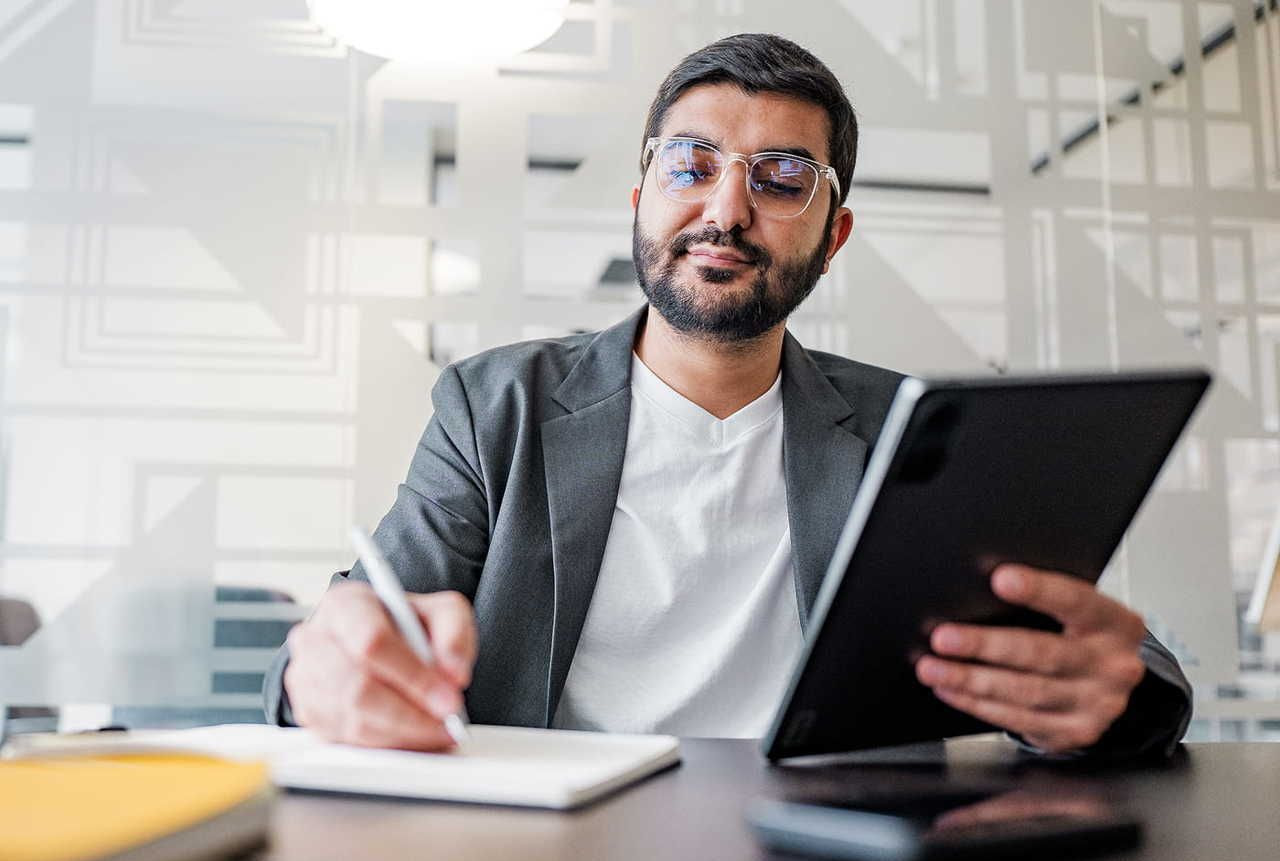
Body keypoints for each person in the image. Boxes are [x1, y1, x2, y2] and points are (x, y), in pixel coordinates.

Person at [264, 33, 1191, 759]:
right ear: (639, 198)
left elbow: (1101, 655)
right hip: (548, 850)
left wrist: (1112, 697)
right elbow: (353, 637)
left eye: (783, 179)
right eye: (691, 164)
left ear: (834, 237)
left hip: (827, 848)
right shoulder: (495, 405)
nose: (725, 210)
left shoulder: (910, 430)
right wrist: (325, 673)